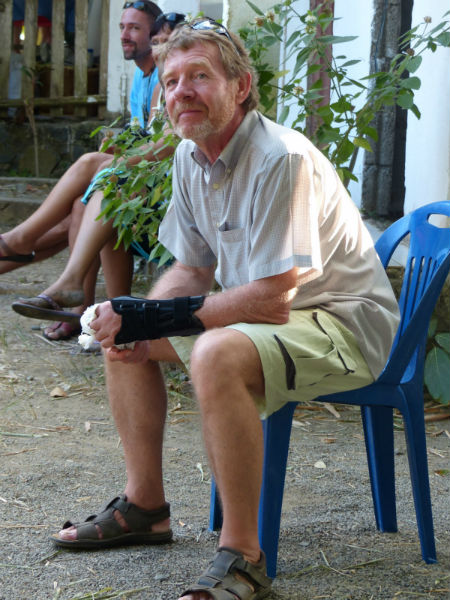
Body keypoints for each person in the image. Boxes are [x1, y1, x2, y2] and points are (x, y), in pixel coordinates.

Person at [50, 19, 400, 600]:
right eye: (170, 82)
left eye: (199, 77)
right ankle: (146, 507)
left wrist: (155, 317)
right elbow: (190, 268)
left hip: (344, 324)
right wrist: (132, 318)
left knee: (212, 350)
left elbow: (272, 296)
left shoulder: (280, 158)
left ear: (241, 86)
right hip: (276, 321)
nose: (181, 92)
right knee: (124, 333)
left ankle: (243, 558)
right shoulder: (191, 156)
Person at [11, 12, 185, 330]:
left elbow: (168, 145)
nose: (161, 50)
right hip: (155, 186)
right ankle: (89, 312)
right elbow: (152, 138)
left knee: (100, 179)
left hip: (170, 197)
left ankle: (30, 249)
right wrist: (121, 149)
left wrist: (116, 163)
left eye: (165, 42)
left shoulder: (175, 85)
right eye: (158, 43)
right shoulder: (161, 81)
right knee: (87, 203)